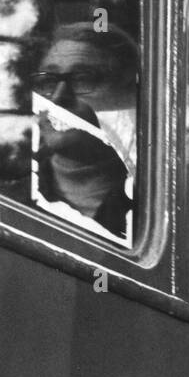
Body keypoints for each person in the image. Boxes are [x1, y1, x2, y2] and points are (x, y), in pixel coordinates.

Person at [31, 23, 139, 242]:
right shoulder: (10, 188)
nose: (57, 98)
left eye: (83, 79)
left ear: (128, 96)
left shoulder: (152, 202)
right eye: (48, 82)